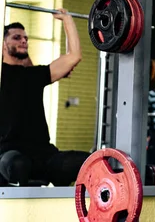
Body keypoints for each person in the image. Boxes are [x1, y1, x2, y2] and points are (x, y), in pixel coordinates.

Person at [0, 11, 90, 187]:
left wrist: (67, 20)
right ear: (3, 44)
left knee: (89, 162)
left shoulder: (35, 75)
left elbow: (74, 56)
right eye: (17, 38)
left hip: (44, 154)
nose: (24, 41)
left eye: (25, 38)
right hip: (10, 152)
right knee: (17, 165)